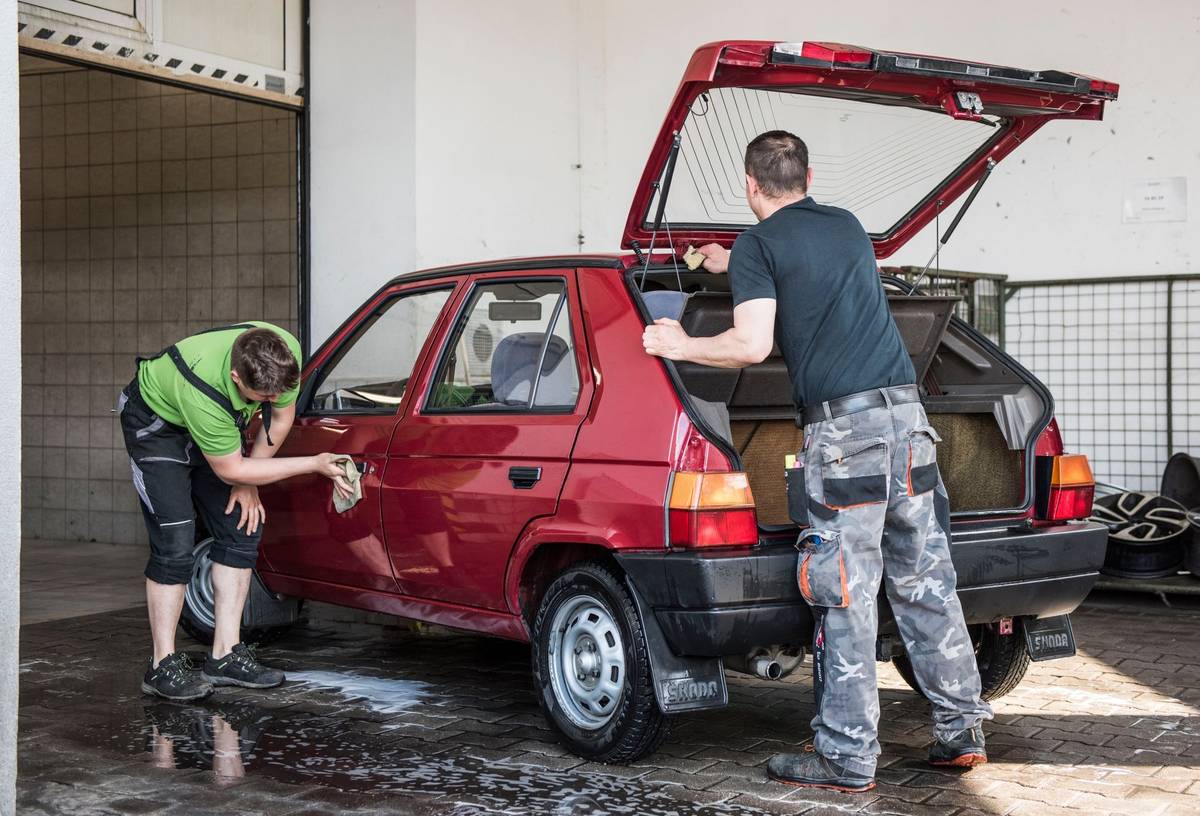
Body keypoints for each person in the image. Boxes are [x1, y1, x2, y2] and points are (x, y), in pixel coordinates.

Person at [642, 131, 992, 792]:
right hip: (908, 423)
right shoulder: (846, 226)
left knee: (844, 590)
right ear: (808, 178)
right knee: (924, 580)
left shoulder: (761, 244)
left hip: (847, 436)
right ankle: (961, 729)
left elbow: (751, 345)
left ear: (750, 185)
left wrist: (680, 343)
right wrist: (731, 262)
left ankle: (846, 755)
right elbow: (804, 268)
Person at [118, 321, 352, 702]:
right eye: (263, 396)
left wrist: (249, 482)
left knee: (242, 524)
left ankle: (224, 655)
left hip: (216, 430)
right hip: (157, 427)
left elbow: (280, 418)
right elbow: (230, 469)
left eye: (278, 392)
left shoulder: (283, 355)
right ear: (235, 378)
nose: (273, 399)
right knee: (176, 541)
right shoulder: (203, 389)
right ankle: (162, 666)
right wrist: (313, 463)